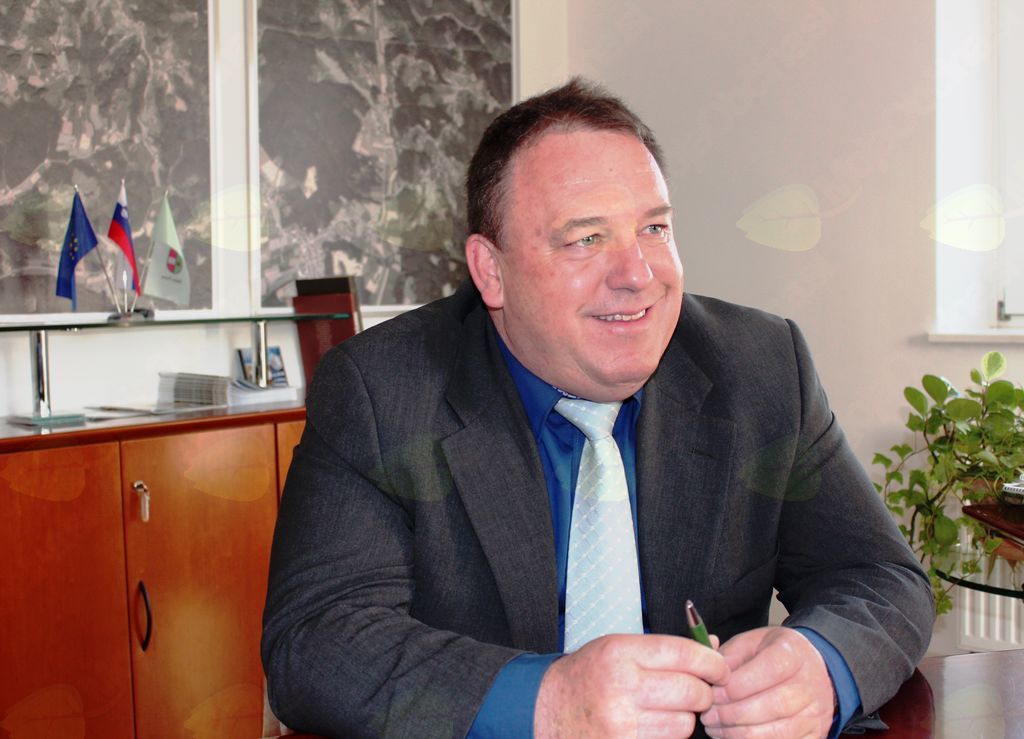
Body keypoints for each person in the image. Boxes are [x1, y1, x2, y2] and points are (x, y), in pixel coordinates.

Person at [262, 78, 934, 738]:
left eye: (654, 228)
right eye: (586, 238)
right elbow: (316, 639)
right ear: (491, 271)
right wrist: (548, 701)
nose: (637, 274)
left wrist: (823, 665)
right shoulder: (383, 390)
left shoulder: (761, 367)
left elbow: (877, 576)